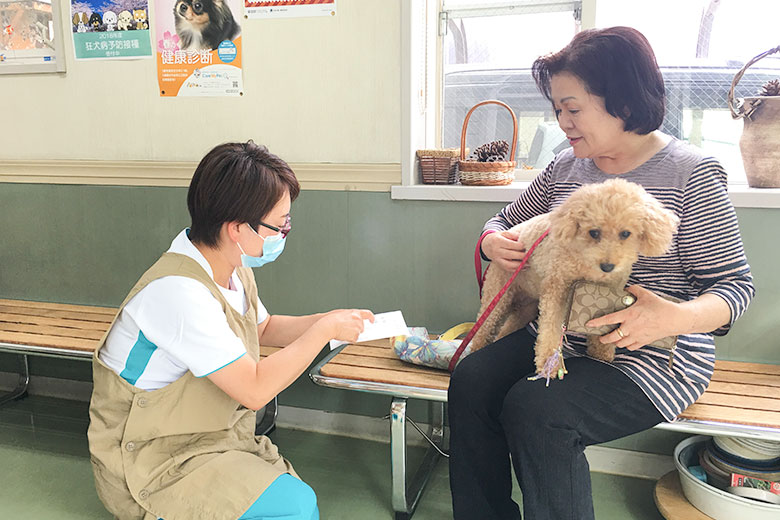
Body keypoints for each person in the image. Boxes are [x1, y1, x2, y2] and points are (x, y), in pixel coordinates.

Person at [448, 27, 755, 520]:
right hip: (560, 336)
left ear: (623, 103)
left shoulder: (690, 173)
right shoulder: (567, 167)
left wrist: (669, 318)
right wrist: (491, 242)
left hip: (654, 357)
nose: (562, 122)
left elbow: (735, 287)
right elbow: (504, 220)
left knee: (537, 411)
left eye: (573, 108)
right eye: (557, 110)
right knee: (471, 379)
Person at [87, 141, 373, 520]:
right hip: (149, 457)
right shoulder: (179, 292)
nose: (284, 233)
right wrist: (322, 333)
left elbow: (265, 327)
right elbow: (254, 390)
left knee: (294, 498)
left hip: (207, 435)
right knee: (295, 507)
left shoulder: (231, 265)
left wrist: (328, 320)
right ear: (237, 228)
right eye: (279, 224)